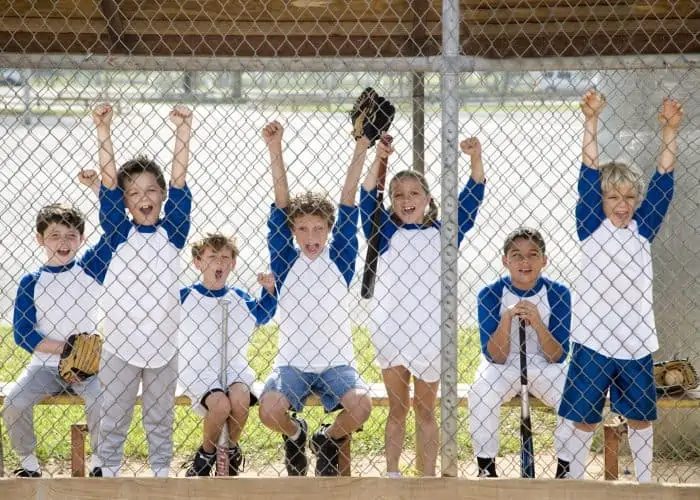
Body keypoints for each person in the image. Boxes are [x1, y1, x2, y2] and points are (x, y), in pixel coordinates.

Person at [557, 89, 683, 482]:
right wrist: (591, 121)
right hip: (594, 339)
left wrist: (670, 131)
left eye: (629, 196)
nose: (622, 204)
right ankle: (575, 483)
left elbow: (664, 182)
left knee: (641, 418)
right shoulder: (590, 226)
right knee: (582, 420)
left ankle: (644, 482)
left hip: (635, 341)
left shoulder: (642, 229)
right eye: (613, 196)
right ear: (600, 201)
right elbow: (588, 171)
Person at [359, 136, 485, 476]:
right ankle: (392, 474)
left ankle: (428, 477)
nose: (406, 200)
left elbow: (471, 201)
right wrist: (379, 158)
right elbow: (366, 197)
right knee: (397, 409)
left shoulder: (444, 232)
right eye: (398, 195)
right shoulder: (383, 230)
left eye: (414, 193)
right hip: (392, 332)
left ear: (428, 199)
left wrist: (475, 158)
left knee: (426, 410)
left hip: (430, 335)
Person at [82, 102, 193, 477]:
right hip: (120, 345)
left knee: (159, 419)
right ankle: (107, 468)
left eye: (150, 190)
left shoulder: (172, 233)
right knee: (115, 414)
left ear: (160, 196)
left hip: (163, 344)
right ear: (125, 203)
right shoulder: (118, 233)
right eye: (133, 193)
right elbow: (110, 183)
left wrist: (182, 130)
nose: (142, 197)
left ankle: (161, 472)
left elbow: (179, 179)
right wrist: (103, 130)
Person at [257, 120, 373, 477]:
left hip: (337, 363)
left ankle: (327, 438)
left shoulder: (338, 260)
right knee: (269, 410)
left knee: (361, 405)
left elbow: (348, 200)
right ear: (292, 231)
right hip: (293, 363)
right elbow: (281, 203)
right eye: (303, 229)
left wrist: (361, 148)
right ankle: (296, 435)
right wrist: (275, 148)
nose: (311, 236)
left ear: (328, 230)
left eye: (319, 228)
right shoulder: (285, 260)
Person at [4, 204, 103, 477]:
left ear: (82, 239)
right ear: (40, 239)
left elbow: (114, 230)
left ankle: (100, 463)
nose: (63, 242)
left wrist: (98, 188)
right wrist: (69, 349)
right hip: (45, 365)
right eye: (55, 235)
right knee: (15, 403)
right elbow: (23, 333)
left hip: (87, 367)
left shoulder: (90, 269)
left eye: (71, 235)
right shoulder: (31, 281)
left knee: (103, 399)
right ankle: (29, 464)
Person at [469, 227, 574, 478]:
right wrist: (506, 319)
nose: (524, 262)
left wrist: (538, 322)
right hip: (502, 367)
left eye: (533, 255)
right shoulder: (490, 294)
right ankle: (486, 469)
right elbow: (496, 357)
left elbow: (557, 356)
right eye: (516, 255)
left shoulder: (558, 293)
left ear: (544, 260)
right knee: (481, 391)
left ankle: (566, 469)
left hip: (544, 365)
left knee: (573, 392)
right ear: (505, 261)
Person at [180, 233, 277, 476]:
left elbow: (263, 315)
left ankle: (231, 450)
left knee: (241, 399)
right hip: (198, 371)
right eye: (212, 257)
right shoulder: (185, 297)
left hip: (234, 368)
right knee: (221, 406)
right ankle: (206, 455)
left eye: (225, 258)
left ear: (233, 264)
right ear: (198, 263)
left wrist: (269, 291)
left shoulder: (239, 298)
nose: (219, 263)